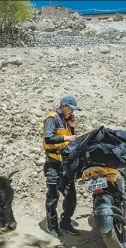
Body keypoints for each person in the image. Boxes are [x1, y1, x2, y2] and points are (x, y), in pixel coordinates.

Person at [42, 96, 81, 238]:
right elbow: (48, 138)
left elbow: (72, 141)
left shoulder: (66, 120)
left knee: (71, 195)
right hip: (53, 162)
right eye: (70, 108)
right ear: (63, 106)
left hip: (65, 163)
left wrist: (71, 127)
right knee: (53, 196)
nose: (71, 111)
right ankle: (52, 227)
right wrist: (66, 138)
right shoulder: (52, 118)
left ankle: (65, 222)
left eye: (73, 110)